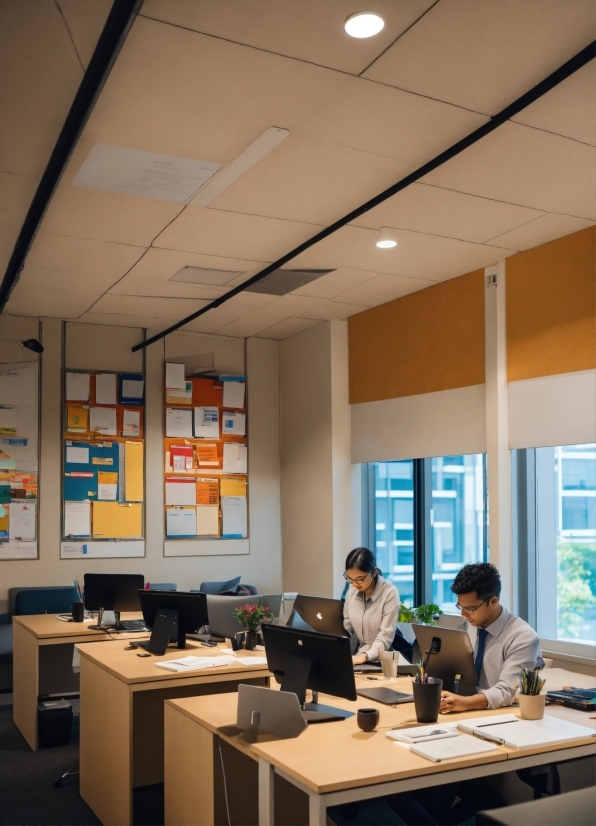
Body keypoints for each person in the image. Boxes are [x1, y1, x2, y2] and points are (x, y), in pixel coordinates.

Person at [439, 562, 543, 714]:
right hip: (463, 707)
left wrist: (464, 703)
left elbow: (507, 690)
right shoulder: (468, 626)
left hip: (499, 713)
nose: (463, 614)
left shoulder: (523, 637)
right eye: (460, 607)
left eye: (470, 608)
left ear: (493, 602)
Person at [343, 547, 399, 665]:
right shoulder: (351, 592)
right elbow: (348, 629)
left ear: (374, 572)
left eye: (359, 579)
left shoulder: (389, 593)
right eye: (350, 579)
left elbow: (385, 638)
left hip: (382, 661)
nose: (354, 584)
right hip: (357, 658)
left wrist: (364, 656)